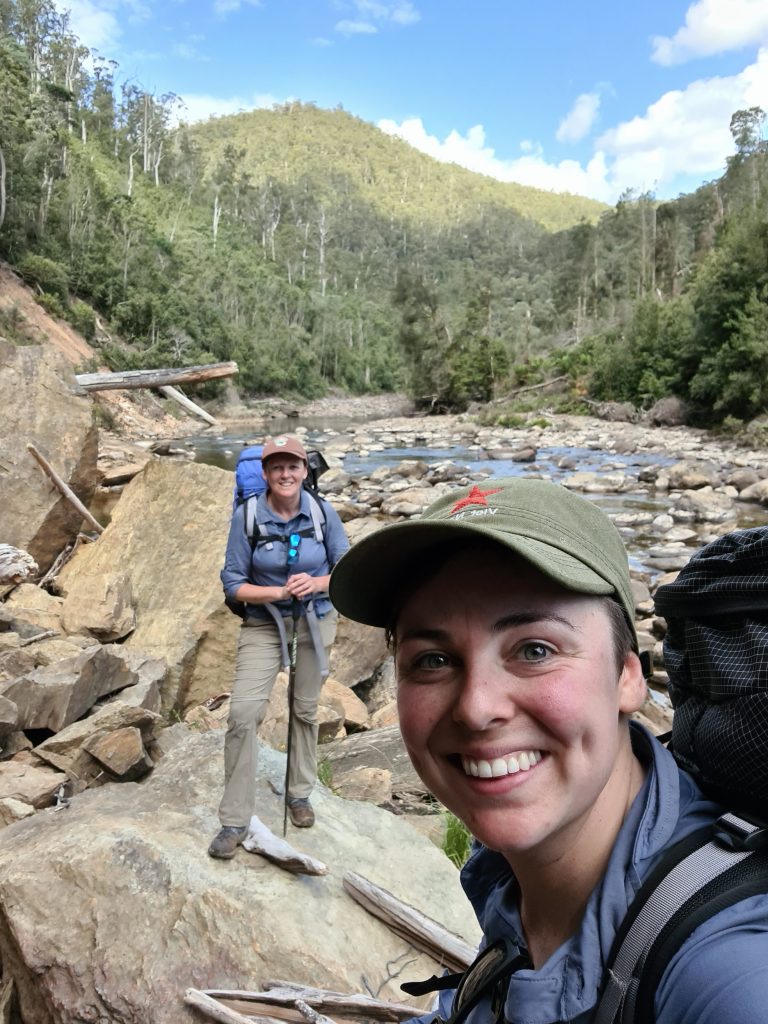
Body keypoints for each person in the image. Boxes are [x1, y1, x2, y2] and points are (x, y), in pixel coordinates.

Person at [328, 479, 768, 1023]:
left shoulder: (727, 971)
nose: (475, 708)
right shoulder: (525, 872)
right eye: (432, 660)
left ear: (629, 677)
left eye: (534, 649)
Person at [209, 434, 349, 858]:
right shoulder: (248, 516)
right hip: (264, 625)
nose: (286, 474)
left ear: (305, 471)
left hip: (315, 619)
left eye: (293, 466)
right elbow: (232, 583)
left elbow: (347, 568)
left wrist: (318, 582)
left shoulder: (323, 513)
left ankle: (299, 794)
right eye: (277, 467)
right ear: (267, 474)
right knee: (243, 714)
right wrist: (275, 594)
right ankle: (234, 820)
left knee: (305, 708)